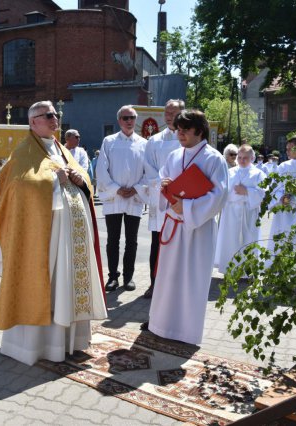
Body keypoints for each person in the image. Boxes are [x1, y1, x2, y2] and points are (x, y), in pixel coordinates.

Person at [0, 100, 107, 365]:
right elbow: (17, 187)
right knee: (46, 285)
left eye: (56, 114)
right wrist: (56, 180)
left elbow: (83, 178)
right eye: (48, 115)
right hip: (43, 238)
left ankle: (69, 342)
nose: (55, 119)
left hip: (68, 236)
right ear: (33, 122)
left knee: (65, 286)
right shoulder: (24, 152)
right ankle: (35, 346)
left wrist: (81, 180)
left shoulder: (61, 149)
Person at [144, 109, 228, 345]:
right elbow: (165, 182)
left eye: (185, 129)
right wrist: (165, 188)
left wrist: (188, 207)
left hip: (198, 229)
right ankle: (162, 325)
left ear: (199, 131)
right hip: (175, 223)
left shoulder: (214, 158)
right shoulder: (174, 155)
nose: (180, 133)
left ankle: (186, 332)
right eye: (178, 129)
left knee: (192, 279)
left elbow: (219, 195)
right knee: (168, 277)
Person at [96, 105, 147, 292]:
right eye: (125, 117)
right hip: (114, 198)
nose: (129, 121)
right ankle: (112, 277)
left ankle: (128, 277)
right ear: (119, 120)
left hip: (134, 197)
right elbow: (101, 169)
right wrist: (116, 189)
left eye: (132, 117)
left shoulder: (143, 143)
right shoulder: (109, 142)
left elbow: (148, 171)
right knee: (113, 240)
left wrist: (136, 189)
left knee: (132, 240)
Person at [143, 99, 184, 298]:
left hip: (183, 198)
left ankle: (178, 286)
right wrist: (163, 184)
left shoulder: (189, 139)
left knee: (181, 243)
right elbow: (149, 166)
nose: (169, 116)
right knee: (157, 243)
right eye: (167, 112)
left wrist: (179, 188)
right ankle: (154, 283)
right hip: (161, 196)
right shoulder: (155, 140)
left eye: (174, 112)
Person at [215, 144, 267, 274]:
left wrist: (247, 192)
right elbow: (222, 190)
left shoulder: (258, 174)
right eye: (240, 157)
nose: (242, 160)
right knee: (230, 239)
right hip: (231, 212)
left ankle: (247, 270)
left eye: (245, 158)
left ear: (252, 158)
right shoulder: (230, 172)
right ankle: (230, 269)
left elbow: (265, 192)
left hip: (249, 211)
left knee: (248, 239)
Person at [266, 135, 296, 255]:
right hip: (284, 211)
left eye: (289, 149)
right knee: (282, 239)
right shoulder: (283, 166)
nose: (286, 152)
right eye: (286, 149)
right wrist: (281, 197)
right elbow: (275, 187)